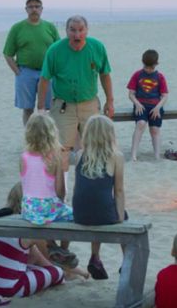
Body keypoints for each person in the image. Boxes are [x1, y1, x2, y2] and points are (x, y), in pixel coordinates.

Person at [0, 183, 88, 299]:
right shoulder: (31, 229)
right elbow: (50, 259)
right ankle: (68, 274)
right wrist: (80, 271)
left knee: (31, 257)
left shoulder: (0, 218)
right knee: (56, 272)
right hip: (6, 288)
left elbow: (36, 257)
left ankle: (70, 272)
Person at [38, 15, 115, 171]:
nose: (77, 35)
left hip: (90, 104)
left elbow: (105, 75)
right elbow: (44, 80)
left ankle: (90, 184)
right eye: (72, 30)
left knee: (94, 146)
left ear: (87, 31)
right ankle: (62, 189)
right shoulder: (55, 50)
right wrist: (40, 108)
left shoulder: (97, 48)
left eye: (81, 30)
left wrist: (110, 101)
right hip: (63, 106)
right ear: (66, 31)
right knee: (61, 149)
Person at [72, 115, 125, 280]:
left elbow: (78, 187)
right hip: (102, 213)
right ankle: (126, 262)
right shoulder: (116, 156)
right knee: (121, 216)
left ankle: (96, 257)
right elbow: (119, 191)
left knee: (96, 207)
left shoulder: (80, 154)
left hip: (80, 213)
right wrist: (121, 217)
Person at [3, 0, 60, 125]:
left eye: (37, 6)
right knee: (27, 108)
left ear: (42, 9)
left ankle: (48, 137)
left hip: (47, 73)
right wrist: (18, 72)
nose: (34, 9)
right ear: (26, 9)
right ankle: (30, 138)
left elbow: (59, 50)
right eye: (31, 6)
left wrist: (55, 70)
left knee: (48, 108)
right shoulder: (17, 28)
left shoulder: (50, 27)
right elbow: (7, 53)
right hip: (25, 72)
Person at [20, 113, 73, 225]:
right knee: (71, 215)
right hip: (47, 207)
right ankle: (61, 243)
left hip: (28, 208)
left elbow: (25, 184)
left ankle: (50, 242)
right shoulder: (54, 158)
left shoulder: (23, 157)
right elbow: (60, 192)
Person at [127, 49, 169, 161]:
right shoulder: (137, 75)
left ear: (156, 64)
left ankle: (156, 156)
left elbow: (165, 95)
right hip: (140, 105)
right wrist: (137, 103)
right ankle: (133, 155)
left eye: (151, 68)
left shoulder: (160, 77)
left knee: (154, 129)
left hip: (155, 106)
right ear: (142, 63)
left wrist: (158, 107)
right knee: (140, 124)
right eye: (146, 67)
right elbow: (131, 94)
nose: (149, 70)